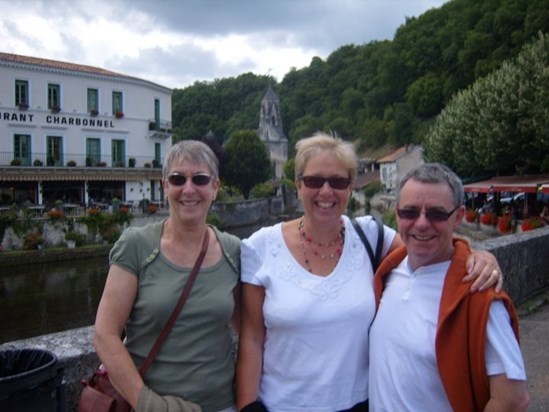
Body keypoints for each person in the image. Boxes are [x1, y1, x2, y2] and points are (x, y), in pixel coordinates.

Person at [236, 133, 503, 412]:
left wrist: (474, 255)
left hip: (359, 404)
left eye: (338, 182)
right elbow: (251, 338)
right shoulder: (261, 247)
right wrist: (247, 408)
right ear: (299, 185)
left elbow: (429, 247)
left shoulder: (371, 236)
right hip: (281, 405)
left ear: (351, 187)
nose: (326, 192)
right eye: (315, 181)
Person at [94, 140, 241, 412]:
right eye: (177, 179)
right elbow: (105, 333)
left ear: (215, 188)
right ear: (165, 187)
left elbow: (249, 330)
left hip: (222, 405)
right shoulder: (136, 245)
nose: (188, 189)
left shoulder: (232, 249)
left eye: (199, 179)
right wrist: (149, 404)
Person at [369, 163, 529, 411]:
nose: (421, 224)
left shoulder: (479, 292)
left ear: (458, 216)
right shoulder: (388, 272)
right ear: (397, 212)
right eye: (410, 212)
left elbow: (513, 399)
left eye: (436, 214)